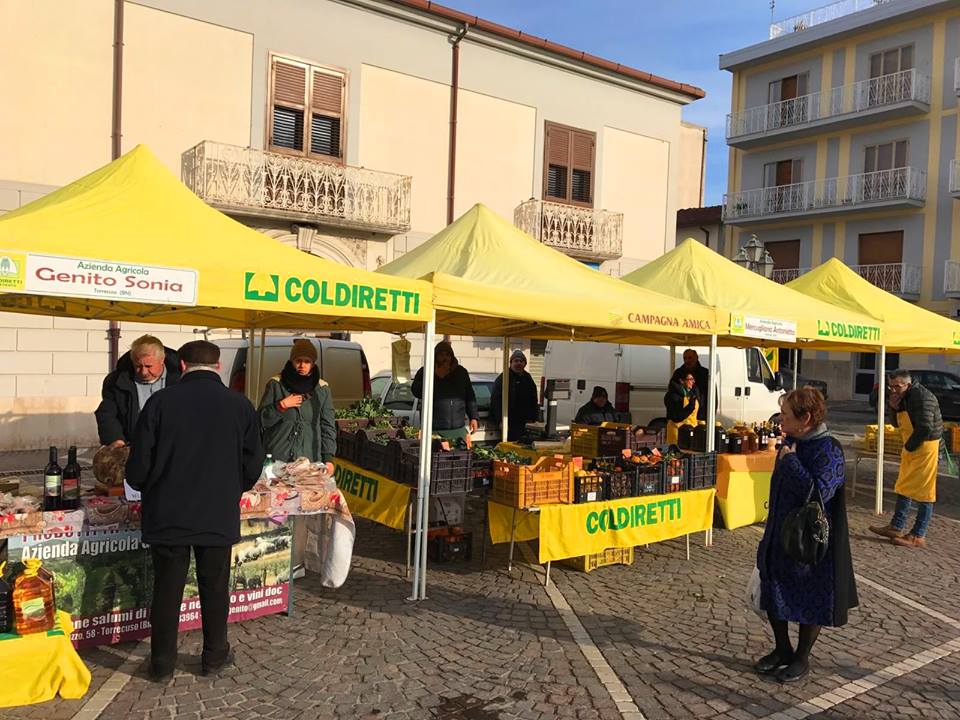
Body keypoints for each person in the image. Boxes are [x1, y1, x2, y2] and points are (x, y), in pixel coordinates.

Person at [126, 341, 264, 683]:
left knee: (167, 589)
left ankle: (161, 664)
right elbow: (253, 463)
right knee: (215, 586)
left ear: (182, 366)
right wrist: (232, 489)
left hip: (168, 512)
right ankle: (215, 656)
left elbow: (137, 467)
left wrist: (151, 486)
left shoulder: (160, 402)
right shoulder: (240, 405)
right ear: (217, 367)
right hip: (216, 511)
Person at [755, 388, 857, 683]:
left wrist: (791, 463)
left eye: (786, 415)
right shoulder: (791, 442)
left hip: (809, 542)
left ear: (806, 418)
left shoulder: (829, 449)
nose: (780, 420)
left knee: (808, 598)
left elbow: (820, 493)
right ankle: (782, 649)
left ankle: (801, 657)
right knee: (773, 588)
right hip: (779, 532)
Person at [869, 369, 942, 548]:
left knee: (925, 492)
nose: (893, 390)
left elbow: (924, 427)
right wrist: (893, 408)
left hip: (925, 447)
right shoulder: (903, 396)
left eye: (897, 387)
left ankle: (918, 534)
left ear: (907, 384)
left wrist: (910, 447)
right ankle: (896, 526)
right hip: (912, 445)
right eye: (890, 386)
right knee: (904, 486)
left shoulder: (922, 397)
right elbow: (896, 424)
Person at [258, 339, 337, 467]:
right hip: (278, 458)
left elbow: (328, 426)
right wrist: (280, 406)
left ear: (313, 363)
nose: (302, 366)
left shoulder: (322, 389)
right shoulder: (276, 384)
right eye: (298, 361)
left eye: (307, 361)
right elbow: (261, 421)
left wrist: (328, 457)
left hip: (308, 459)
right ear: (291, 361)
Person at [94, 335, 181, 448]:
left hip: (171, 446)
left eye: (149, 366)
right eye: (138, 366)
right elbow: (107, 413)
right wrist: (115, 439)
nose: (143, 372)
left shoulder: (181, 381)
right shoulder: (117, 381)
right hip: (133, 446)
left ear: (162, 360)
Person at [411, 341, 478, 442]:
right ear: (435, 356)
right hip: (434, 429)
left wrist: (474, 417)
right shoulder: (425, 371)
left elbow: (470, 396)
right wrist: (435, 377)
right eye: (441, 355)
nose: (445, 358)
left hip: (458, 428)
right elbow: (416, 391)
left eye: (447, 355)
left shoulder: (461, 372)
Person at [490, 350, 540, 442]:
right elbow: (496, 400)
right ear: (511, 363)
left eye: (521, 361)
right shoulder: (504, 378)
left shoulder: (528, 378)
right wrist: (500, 420)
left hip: (525, 422)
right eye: (516, 361)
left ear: (525, 363)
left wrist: (534, 418)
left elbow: (534, 399)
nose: (519, 363)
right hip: (509, 422)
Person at [671, 349, 710, 421]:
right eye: (684, 358)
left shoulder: (705, 373)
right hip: (683, 416)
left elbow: (712, 395)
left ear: (696, 357)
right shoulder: (678, 373)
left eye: (690, 358)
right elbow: (672, 389)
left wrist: (709, 414)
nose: (687, 361)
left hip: (701, 415)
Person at [664, 371, 700, 446]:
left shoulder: (691, 393)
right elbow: (677, 417)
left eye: (693, 379)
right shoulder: (673, 396)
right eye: (690, 379)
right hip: (677, 432)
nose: (693, 381)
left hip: (690, 431)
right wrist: (691, 406)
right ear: (682, 381)